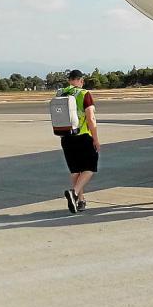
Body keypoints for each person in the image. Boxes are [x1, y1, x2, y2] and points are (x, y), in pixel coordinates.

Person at [59, 69, 100, 214]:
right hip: (82, 136)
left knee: (75, 170)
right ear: (81, 80)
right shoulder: (84, 94)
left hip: (66, 137)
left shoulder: (61, 93)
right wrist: (96, 139)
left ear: (69, 80)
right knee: (90, 167)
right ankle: (74, 193)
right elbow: (91, 118)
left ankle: (80, 200)